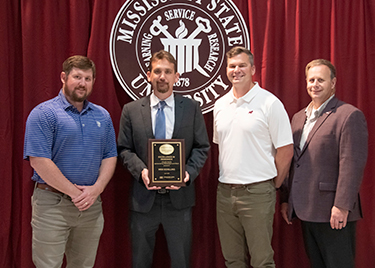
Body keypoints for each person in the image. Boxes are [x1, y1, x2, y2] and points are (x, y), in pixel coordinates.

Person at [117, 50, 210, 268]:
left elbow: (201, 147)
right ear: (148, 75)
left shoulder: (191, 108)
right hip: (143, 200)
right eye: (157, 71)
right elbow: (124, 149)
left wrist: (186, 174)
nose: (162, 77)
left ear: (176, 77)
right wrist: (142, 172)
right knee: (140, 261)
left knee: (181, 262)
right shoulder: (130, 110)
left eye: (168, 72)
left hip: (179, 201)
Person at [23, 55, 118, 268]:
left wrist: (96, 190)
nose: (82, 83)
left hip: (91, 207)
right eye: (77, 77)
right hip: (52, 204)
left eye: (88, 78)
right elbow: (39, 161)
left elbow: (110, 155)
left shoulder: (103, 116)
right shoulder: (43, 114)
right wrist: (77, 194)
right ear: (64, 77)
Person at [280, 59, 368, 268]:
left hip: (333, 211)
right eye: (311, 80)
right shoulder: (297, 118)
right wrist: (286, 199)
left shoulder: (348, 115)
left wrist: (342, 206)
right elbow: (292, 162)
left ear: (333, 83)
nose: (315, 84)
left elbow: (352, 165)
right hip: (304, 208)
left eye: (321, 79)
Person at [213, 46, 294, 268]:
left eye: (242, 65)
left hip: (257, 193)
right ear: (226, 70)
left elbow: (286, 150)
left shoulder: (270, 103)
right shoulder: (220, 105)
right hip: (225, 193)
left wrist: (271, 185)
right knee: (232, 260)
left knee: (261, 261)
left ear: (253, 69)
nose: (236, 70)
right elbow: (223, 147)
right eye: (232, 66)